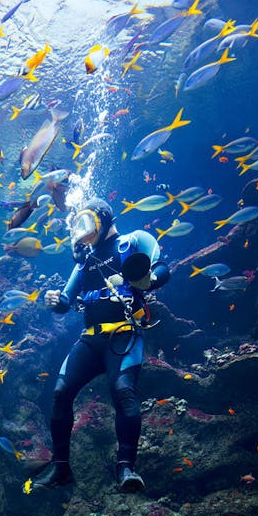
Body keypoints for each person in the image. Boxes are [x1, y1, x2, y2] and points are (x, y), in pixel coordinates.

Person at [33, 197, 170, 493]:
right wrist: (55, 300)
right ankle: (61, 467)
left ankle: (126, 469)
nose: (83, 232)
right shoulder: (85, 262)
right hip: (91, 338)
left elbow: (161, 269)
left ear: (103, 219)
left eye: (86, 223)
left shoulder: (134, 241)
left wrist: (146, 281)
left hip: (124, 334)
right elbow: (67, 301)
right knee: (60, 392)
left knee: (123, 391)